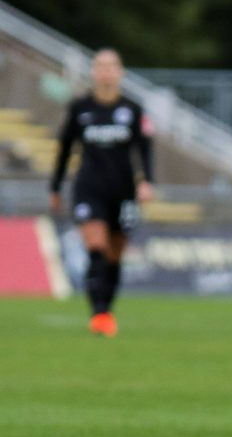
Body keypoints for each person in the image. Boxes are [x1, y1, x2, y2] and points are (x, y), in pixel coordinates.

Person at [49, 48, 154, 337]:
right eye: (101, 66)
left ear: (119, 72)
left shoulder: (132, 109)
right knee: (95, 247)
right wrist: (55, 186)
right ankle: (98, 313)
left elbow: (143, 150)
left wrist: (146, 181)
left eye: (111, 66)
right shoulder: (80, 108)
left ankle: (106, 308)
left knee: (114, 255)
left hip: (122, 190)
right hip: (89, 188)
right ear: (94, 72)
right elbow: (64, 150)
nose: (106, 72)